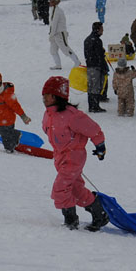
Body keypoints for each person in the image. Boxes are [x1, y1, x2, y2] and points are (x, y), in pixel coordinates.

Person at [41, 76, 109, 232]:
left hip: (74, 157)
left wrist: (100, 146)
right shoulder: (49, 114)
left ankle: (71, 221)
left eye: (48, 95)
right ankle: (100, 213)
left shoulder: (72, 116)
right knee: (75, 190)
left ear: (57, 96)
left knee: (61, 187)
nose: (44, 99)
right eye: (43, 95)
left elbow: (94, 129)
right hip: (60, 157)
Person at [0, 71, 31, 153]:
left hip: (8, 118)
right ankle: (15, 139)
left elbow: (15, 106)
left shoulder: (6, 94)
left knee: (5, 135)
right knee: (2, 132)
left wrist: (23, 116)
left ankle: (9, 147)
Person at [48, 0, 80, 70]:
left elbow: (55, 24)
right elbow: (52, 24)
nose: (49, 3)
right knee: (53, 50)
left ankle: (77, 62)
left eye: (51, 2)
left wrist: (51, 34)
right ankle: (58, 65)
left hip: (60, 33)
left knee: (65, 49)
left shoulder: (58, 11)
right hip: (54, 34)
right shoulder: (52, 9)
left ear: (54, 3)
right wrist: (51, 34)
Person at [84, 21, 108, 113]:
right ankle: (95, 106)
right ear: (98, 30)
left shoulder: (87, 39)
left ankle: (92, 105)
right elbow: (99, 56)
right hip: (96, 66)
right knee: (96, 87)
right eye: (102, 29)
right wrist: (103, 67)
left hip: (90, 66)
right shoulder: (97, 41)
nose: (103, 31)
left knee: (91, 87)